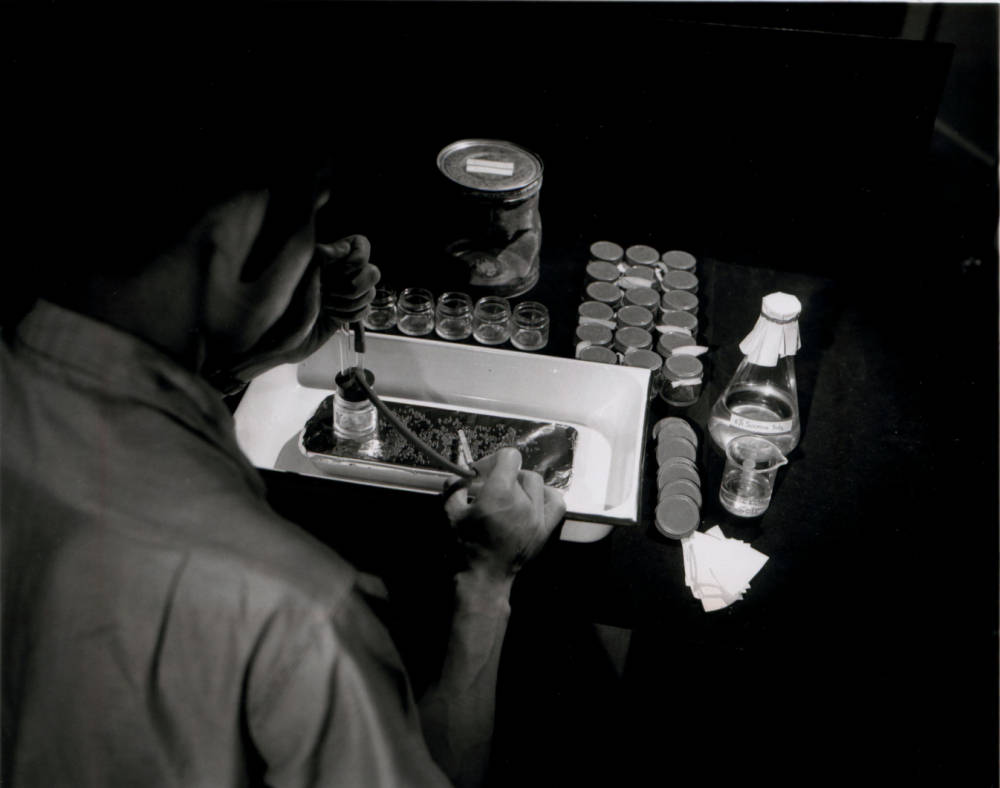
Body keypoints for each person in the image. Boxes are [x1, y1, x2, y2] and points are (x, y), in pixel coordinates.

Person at [0, 63, 567, 786]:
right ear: (236, 242)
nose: (321, 246)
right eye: (311, 219)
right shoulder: (299, 618)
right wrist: (490, 582)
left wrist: (253, 345)